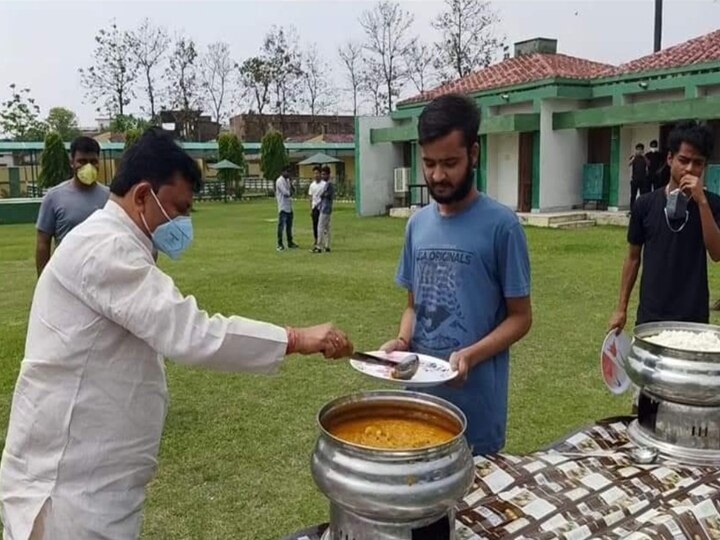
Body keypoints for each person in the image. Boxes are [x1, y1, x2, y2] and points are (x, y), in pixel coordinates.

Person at [0, 129, 353, 540]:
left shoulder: (121, 243)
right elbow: (191, 333)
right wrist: (296, 337)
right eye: (179, 209)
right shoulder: (105, 248)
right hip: (69, 495)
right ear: (144, 195)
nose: (183, 222)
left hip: (98, 486)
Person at [381, 94, 532, 455]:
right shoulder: (417, 225)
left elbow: (521, 318)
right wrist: (401, 343)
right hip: (418, 405)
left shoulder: (503, 227)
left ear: (474, 154)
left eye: (450, 163)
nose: (437, 175)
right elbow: (413, 307)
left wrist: (472, 355)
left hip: (476, 414)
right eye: (429, 163)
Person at [609, 121, 720, 333]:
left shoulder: (713, 204)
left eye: (697, 163)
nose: (690, 168)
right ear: (670, 159)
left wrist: (702, 202)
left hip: (693, 317)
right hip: (652, 314)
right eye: (683, 160)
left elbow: (716, 253)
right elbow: (633, 257)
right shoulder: (645, 204)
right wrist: (621, 308)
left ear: (704, 166)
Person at [35, 136, 109, 276]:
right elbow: (43, 243)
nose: (88, 166)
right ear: (72, 163)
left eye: (93, 161)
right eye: (82, 161)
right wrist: (43, 281)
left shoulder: (110, 197)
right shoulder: (54, 197)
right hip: (67, 276)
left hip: (101, 276)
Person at [276, 166, 298, 251]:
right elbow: (286, 193)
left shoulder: (288, 180)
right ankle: (279, 244)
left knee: (289, 226)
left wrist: (291, 184)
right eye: (287, 172)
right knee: (281, 226)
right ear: (283, 172)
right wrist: (291, 192)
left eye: (289, 172)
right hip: (282, 207)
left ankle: (290, 242)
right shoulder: (279, 181)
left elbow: (293, 191)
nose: (289, 174)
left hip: (289, 206)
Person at [314, 165, 335, 254]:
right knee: (326, 228)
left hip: (325, 208)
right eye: (322, 174)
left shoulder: (329, 184)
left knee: (320, 227)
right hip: (325, 207)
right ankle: (327, 246)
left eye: (324, 174)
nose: (322, 176)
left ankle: (319, 246)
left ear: (328, 175)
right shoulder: (327, 184)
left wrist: (323, 194)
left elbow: (327, 195)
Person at [308, 165, 326, 247]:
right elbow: (310, 197)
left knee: (322, 225)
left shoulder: (324, 184)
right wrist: (310, 208)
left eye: (317, 173)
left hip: (322, 207)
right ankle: (316, 239)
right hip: (315, 207)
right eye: (314, 173)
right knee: (315, 225)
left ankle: (323, 240)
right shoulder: (312, 185)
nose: (316, 175)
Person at [629, 143, 649, 210]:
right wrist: (634, 157)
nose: (639, 151)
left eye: (640, 150)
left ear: (643, 150)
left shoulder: (644, 158)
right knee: (633, 196)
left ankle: (642, 209)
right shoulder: (634, 157)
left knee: (642, 196)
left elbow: (649, 164)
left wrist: (644, 157)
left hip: (643, 180)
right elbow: (629, 164)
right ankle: (632, 209)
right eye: (638, 149)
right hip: (634, 179)